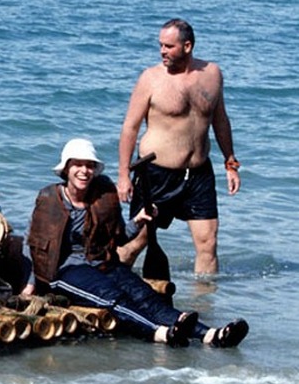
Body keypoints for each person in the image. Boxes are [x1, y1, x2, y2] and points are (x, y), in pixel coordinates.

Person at [23, 138, 248, 348]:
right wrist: (30, 284)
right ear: (66, 169)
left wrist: (139, 220)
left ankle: (210, 335)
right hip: (66, 271)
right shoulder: (49, 199)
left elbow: (120, 237)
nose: (84, 171)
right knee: (113, 299)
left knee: (145, 295)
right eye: (77, 165)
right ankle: (161, 333)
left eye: (89, 166)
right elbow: (32, 244)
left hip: (102, 263)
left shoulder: (102, 196)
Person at [117, 18, 241, 275]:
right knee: (136, 242)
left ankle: (205, 306)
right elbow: (130, 127)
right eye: (160, 45)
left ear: (187, 46)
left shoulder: (212, 74)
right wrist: (123, 177)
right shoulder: (150, 79)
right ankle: (109, 287)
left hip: (198, 174)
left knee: (208, 243)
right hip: (156, 174)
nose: (162, 51)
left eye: (169, 46)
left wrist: (230, 162)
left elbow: (220, 120)